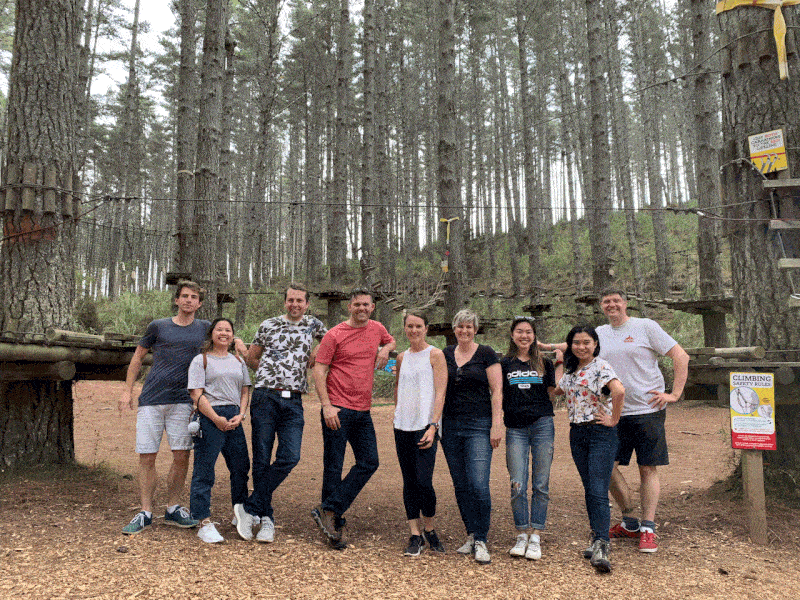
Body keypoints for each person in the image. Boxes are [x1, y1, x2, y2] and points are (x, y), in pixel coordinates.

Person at [118, 281, 226, 534]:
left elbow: (224, 340)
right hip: (152, 399)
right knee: (147, 455)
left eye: (194, 297)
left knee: (181, 455)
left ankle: (173, 508)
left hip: (184, 401)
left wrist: (240, 345)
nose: (188, 300)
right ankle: (145, 512)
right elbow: (138, 357)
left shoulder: (204, 328)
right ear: (176, 300)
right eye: (184, 296)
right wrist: (127, 391)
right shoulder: (158, 326)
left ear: (199, 303)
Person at [233, 283, 327, 542]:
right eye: (290, 300)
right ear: (285, 302)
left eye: (300, 300)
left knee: (290, 456)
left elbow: (332, 341)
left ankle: (249, 507)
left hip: (293, 400)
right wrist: (272, 370)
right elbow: (252, 358)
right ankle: (266, 519)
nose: (295, 304)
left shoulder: (313, 325)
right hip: (266, 396)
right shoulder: (269, 325)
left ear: (307, 304)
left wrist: (316, 353)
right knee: (262, 458)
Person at [597, 289, 689, 553]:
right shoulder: (599, 333)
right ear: (601, 306)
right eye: (606, 301)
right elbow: (575, 348)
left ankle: (648, 528)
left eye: (616, 300)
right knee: (606, 466)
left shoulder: (645, 327)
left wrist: (674, 394)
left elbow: (681, 356)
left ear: (625, 303)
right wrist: (544, 347)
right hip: (614, 411)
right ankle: (629, 521)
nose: (612, 305)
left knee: (647, 468)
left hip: (648, 409)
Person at [311, 288, 396, 549]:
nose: (362, 308)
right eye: (357, 304)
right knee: (333, 466)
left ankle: (329, 509)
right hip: (337, 408)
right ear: (349, 307)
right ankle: (332, 524)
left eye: (366, 305)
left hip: (363, 410)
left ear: (372, 308)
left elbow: (391, 341)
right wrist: (327, 406)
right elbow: (319, 370)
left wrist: (386, 349)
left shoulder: (377, 328)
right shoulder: (334, 334)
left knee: (369, 461)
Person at [554, 324, 624, 574]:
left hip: (599, 433)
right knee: (590, 488)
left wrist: (614, 419)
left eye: (586, 342)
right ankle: (597, 537)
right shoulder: (573, 370)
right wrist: (558, 361)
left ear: (595, 344)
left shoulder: (601, 366)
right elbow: (557, 389)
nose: (581, 347)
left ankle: (602, 545)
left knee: (597, 488)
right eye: (576, 342)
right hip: (578, 433)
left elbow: (619, 391)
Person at [440, 309, 503, 565]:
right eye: (460, 326)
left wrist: (497, 424)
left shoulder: (486, 353)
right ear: (454, 329)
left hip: (479, 424)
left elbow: (497, 390)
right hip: (450, 425)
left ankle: (482, 539)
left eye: (469, 327)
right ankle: (471, 533)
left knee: (478, 483)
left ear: (475, 330)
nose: (464, 331)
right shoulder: (445, 354)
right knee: (461, 483)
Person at [501, 317, 561, 561]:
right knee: (517, 483)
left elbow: (553, 392)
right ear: (512, 335)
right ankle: (521, 533)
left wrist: (558, 360)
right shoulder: (504, 363)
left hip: (542, 425)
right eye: (519, 331)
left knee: (540, 483)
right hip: (515, 428)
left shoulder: (543, 362)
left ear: (534, 335)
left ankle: (536, 534)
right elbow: (498, 393)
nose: (524, 336)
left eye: (528, 332)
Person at [187, 318, 251, 544]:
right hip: (209, 415)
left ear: (233, 335)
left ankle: (241, 513)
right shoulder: (201, 360)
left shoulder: (238, 361)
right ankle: (202, 520)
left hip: (234, 417)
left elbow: (245, 390)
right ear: (211, 334)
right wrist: (215, 418)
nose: (224, 333)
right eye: (219, 330)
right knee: (204, 470)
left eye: (228, 330)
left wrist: (241, 415)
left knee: (241, 467)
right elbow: (196, 393)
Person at [393, 310, 448, 557]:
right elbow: (398, 387)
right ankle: (415, 534)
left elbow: (441, 392)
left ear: (426, 328)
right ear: (405, 328)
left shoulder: (435, 355)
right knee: (409, 481)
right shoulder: (402, 357)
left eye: (418, 326)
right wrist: (397, 413)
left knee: (424, 481)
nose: (414, 330)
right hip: (402, 426)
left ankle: (430, 528)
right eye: (410, 326)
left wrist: (433, 425)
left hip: (425, 426)